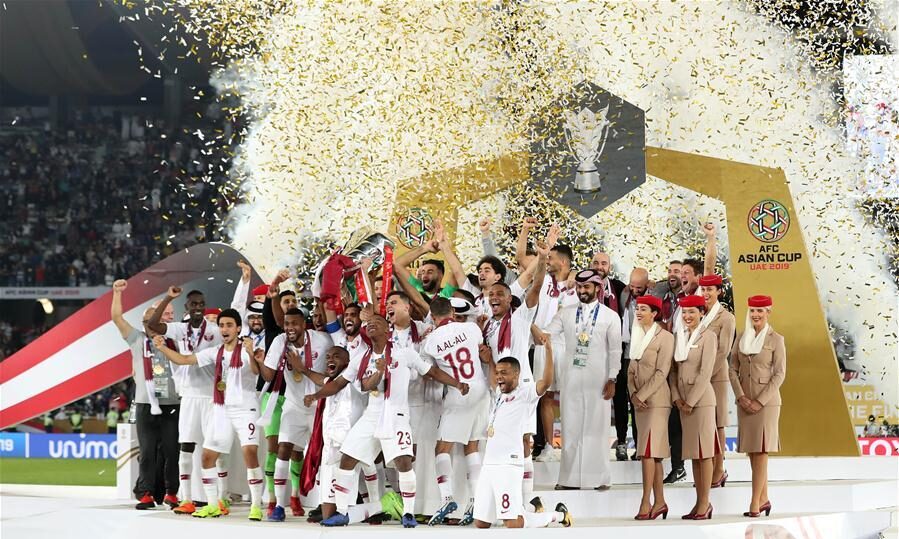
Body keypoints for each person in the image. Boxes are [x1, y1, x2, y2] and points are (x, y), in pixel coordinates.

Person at [310, 314, 469, 528]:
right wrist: (316, 395)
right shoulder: (361, 358)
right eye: (369, 324)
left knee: (403, 462)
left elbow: (432, 371)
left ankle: (408, 513)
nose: (371, 325)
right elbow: (344, 384)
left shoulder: (405, 353)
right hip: (372, 414)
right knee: (347, 459)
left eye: (377, 323)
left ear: (387, 330)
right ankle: (342, 512)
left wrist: (457, 384)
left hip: (397, 414)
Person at [153, 308, 266, 521]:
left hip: (246, 409)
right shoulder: (215, 352)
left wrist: (252, 354)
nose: (224, 329)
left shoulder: (247, 349)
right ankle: (213, 505)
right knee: (207, 457)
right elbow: (184, 360)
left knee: (250, 454)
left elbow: (257, 372)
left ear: (238, 328)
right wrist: (162, 348)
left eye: (229, 325)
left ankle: (256, 506)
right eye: (221, 325)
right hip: (221, 408)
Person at [483, 230, 549, 508]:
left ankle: (526, 500)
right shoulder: (487, 326)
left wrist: (542, 258)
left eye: (500, 293)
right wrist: (488, 359)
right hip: (499, 390)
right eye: (491, 294)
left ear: (510, 299)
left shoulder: (521, 318)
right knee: (500, 438)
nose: (494, 297)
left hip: (522, 387)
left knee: (523, 440)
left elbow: (536, 286)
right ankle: (506, 496)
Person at [473, 346, 571, 529]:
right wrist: (490, 362)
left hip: (508, 465)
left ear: (516, 374)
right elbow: (494, 380)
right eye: (498, 373)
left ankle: (558, 515)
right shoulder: (500, 395)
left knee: (513, 522)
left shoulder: (525, 393)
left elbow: (546, 382)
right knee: (481, 523)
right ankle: (531, 508)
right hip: (489, 464)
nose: (499, 376)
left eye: (504, 373)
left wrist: (549, 350)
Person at [147, 286, 224, 515]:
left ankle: (221, 499)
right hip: (189, 395)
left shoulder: (215, 330)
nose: (198, 307)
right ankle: (187, 499)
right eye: (194, 304)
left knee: (214, 447)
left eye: (201, 304)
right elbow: (153, 325)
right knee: (186, 446)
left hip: (211, 396)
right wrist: (168, 297)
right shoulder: (180, 329)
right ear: (187, 307)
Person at [546, 269, 622, 491]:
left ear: (598, 288)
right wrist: (527, 321)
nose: (582, 291)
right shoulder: (566, 313)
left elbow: (615, 350)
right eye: (579, 287)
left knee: (597, 430)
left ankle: (599, 478)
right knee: (570, 428)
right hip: (571, 379)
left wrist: (613, 378)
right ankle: (569, 480)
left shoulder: (610, 316)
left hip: (599, 381)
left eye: (586, 287)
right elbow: (546, 335)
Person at [111, 279, 180, 510]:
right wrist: (117, 293)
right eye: (146, 321)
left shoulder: (174, 341)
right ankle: (146, 493)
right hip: (144, 403)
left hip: (172, 403)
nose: (150, 325)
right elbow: (117, 318)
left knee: (172, 452)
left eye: (155, 321)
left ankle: (171, 493)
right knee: (147, 452)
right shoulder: (137, 339)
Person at [421, 297, 490, 526]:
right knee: (472, 446)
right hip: (481, 390)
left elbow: (428, 372)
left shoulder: (430, 341)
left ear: (433, 317)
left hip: (458, 393)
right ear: (452, 311)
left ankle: (447, 498)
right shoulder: (471, 328)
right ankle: (475, 500)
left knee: (442, 448)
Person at [259, 307, 332, 521]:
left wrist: (301, 368)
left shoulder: (322, 340)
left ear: (303, 324)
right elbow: (268, 376)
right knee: (283, 449)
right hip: (293, 405)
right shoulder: (280, 341)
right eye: (286, 324)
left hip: (318, 406)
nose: (290, 328)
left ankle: (324, 504)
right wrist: (260, 360)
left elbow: (335, 366)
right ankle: (279, 506)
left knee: (322, 454)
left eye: (294, 324)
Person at [729, 295, 786, 518]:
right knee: (753, 452)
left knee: (761, 450)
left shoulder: (776, 339)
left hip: (767, 404)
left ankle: (754, 502)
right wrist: (740, 396)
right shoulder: (742, 337)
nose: (756, 315)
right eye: (753, 310)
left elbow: (779, 374)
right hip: (744, 401)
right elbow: (732, 369)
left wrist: (760, 401)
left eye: (760, 311)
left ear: (768, 312)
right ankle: (764, 498)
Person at [670, 295, 718, 520]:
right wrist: (677, 398)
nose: (688, 316)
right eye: (685, 312)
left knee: (704, 453)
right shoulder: (679, 336)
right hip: (683, 402)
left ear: (701, 313)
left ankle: (705, 503)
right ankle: (699, 502)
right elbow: (673, 371)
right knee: (694, 455)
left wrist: (690, 401)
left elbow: (705, 372)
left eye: (692, 312)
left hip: (701, 401)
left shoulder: (709, 336)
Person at [626, 295, 673, 520]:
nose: (638, 312)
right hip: (640, 403)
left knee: (647, 452)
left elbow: (662, 372)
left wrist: (641, 395)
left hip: (657, 401)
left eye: (643, 309)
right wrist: (633, 394)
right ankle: (660, 502)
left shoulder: (665, 337)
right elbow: (630, 370)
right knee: (653, 455)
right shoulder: (636, 334)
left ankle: (646, 501)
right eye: (637, 308)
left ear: (654, 313)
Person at [698, 274, 736, 488]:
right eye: (703, 290)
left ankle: (719, 469)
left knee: (718, 422)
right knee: (704, 423)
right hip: (698, 377)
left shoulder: (726, 318)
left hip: (716, 376)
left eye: (710, 290)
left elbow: (723, 351)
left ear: (719, 292)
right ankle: (706, 470)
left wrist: (704, 375)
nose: (706, 294)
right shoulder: (697, 313)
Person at [616, 267, 651, 461]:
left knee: (639, 401)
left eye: (639, 287)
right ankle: (621, 443)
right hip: (625, 356)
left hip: (643, 357)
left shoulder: (654, 296)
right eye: (632, 286)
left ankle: (640, 445)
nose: (635, 290)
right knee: (621, 401)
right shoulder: (624, 295)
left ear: (647, 285)